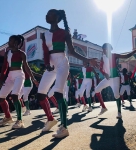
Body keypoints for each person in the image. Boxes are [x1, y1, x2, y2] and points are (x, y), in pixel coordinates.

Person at [37, 9, 97, 138]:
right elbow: (45, 51)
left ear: (57, 17)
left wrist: (87, 60)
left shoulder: (64, 33)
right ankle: (51, 119)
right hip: (50, 65)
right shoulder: (44, 34)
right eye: (46, 13)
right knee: (41, 94)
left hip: (62, 63)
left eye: (49, 13)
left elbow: (71, 51)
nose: (46, 15)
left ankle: (64, 127)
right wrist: (46, 64)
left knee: (58, 93)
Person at [0, 35, 38, 128]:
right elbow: (5, 67)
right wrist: (1, 79)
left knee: (15, 95)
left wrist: (33, 79)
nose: (8, 42)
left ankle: (20, 121)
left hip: (19, 76)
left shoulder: (22, 53)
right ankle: (8, 117)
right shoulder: (7, 53)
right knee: (0, 97)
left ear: (16, 43)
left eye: (11, 41)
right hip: (10, 76)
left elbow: (27, 67)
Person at [93, 43, 136, 118]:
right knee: (96, 90)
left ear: (109, 49)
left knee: (116, 95)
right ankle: (103, 107)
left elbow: (126, 56)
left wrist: (135, 51)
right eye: (103, 49)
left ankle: (119, 113)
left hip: (115, 78)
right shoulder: (103, 58)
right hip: (107, 79)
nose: (103, 51)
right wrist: (104, 74)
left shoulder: (114, 55)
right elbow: (101, 68)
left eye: (105, 49)